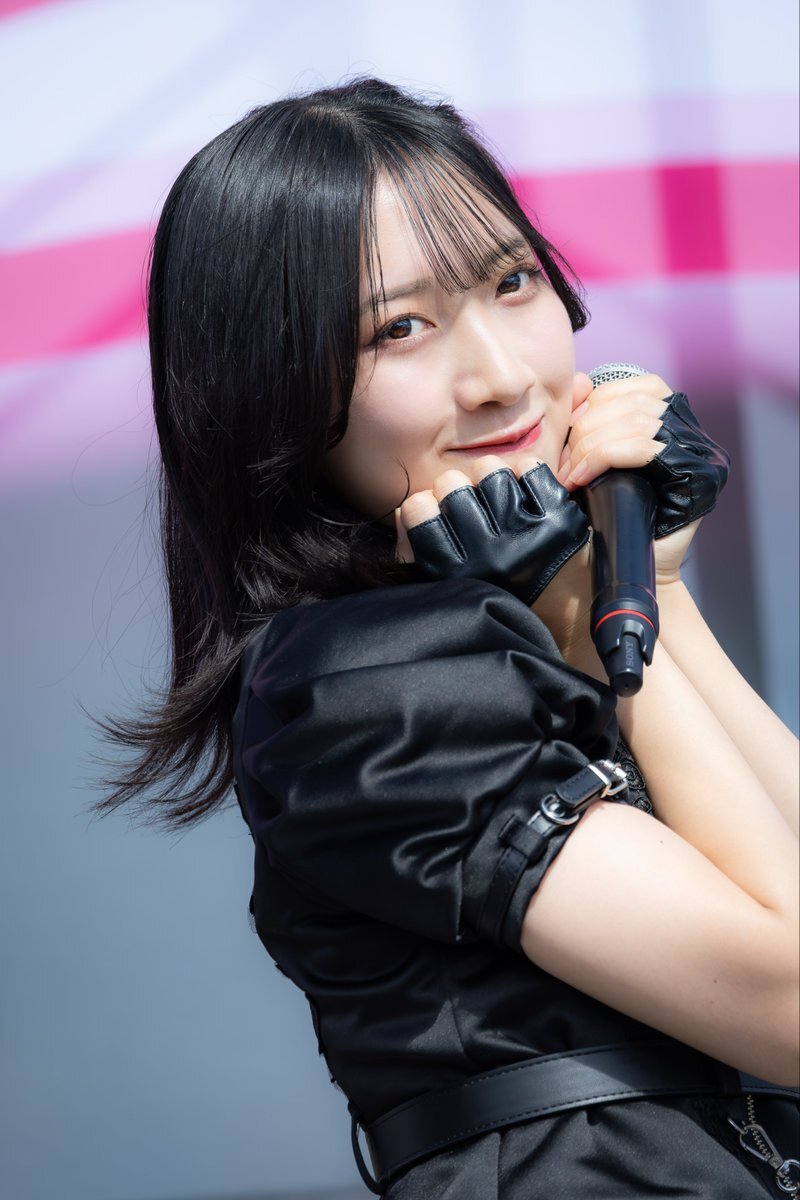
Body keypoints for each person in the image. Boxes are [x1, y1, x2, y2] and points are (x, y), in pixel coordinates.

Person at [95, 78, 800, 1197]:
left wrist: (647, 586)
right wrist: (580, 598)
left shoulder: (505, 617)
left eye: (512, 280)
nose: (504, 378)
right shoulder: (367, 684)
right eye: (399, 328)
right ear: (275, 391)